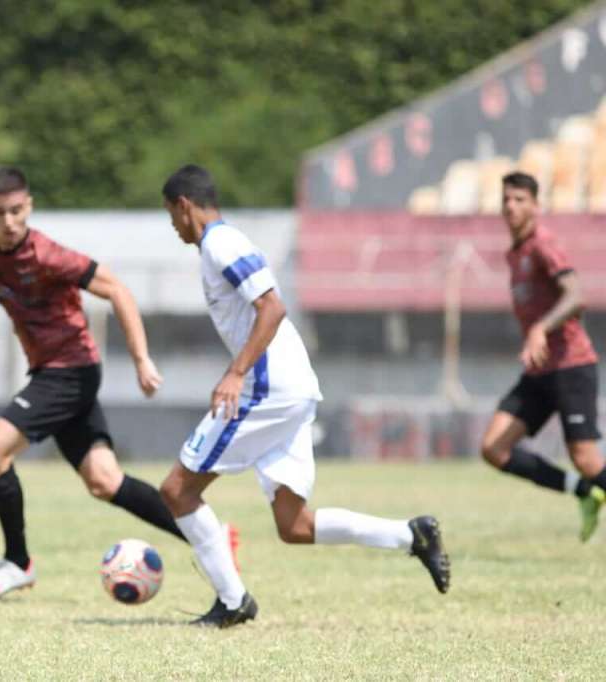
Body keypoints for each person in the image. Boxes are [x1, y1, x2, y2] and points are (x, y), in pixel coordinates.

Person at [156, 164, 451, 629]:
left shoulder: (220, 243)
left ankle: (233, 602)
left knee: (177, 490)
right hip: (290, 388)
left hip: (267, 389)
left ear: (184, 205)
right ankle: (411, 535)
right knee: (295, 527)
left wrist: (235, 373)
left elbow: (272, 306)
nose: (173, 226)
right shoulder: (221, 243)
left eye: (171, 215)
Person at [0, 166, 203, 601]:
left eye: (17, 211)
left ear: (30, 208)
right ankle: (209, 538)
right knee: (104, 480)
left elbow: (118, 290)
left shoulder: (48, 255)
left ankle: (18, 563)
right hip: (51, 372)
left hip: (71, 369)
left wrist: (141, 360)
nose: (9, 222)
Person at [479, 171, 606, 541]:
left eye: (519, 199)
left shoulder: (542, 245)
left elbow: (575, 296)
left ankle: (589, 483)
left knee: (586, 459)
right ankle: (584, 492)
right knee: (494, 448)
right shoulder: (515, 253)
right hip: (539, 371)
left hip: (571, 366)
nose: (511, 206)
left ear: (535, 205)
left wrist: (539, 329)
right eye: (506, 199)